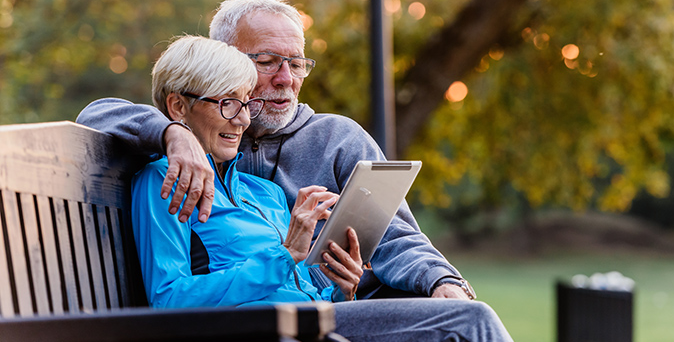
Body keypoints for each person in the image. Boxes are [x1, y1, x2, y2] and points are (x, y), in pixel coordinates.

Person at [77, 0, 472, 300]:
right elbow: (98, 114)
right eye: (267, 61)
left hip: (349, 306)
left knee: (463, 316)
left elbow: (396, 236)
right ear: (226, 64)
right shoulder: (199, 128)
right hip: (266, 323)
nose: (286, 78)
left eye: (296, 63)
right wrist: (172, 134)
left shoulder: (336, 139)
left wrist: (441, 281)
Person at [133, 34, 512, 341]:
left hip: (319, 321)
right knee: (467, 322)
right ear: (178, 107)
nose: (241, 121)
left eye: (246, 105)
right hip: (264, 330)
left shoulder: (260, 191)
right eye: (228, 104)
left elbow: (311, 280)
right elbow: (169, 301)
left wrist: (341, 286)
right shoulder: (161, 182)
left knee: (457, 316)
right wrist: (285, 255)